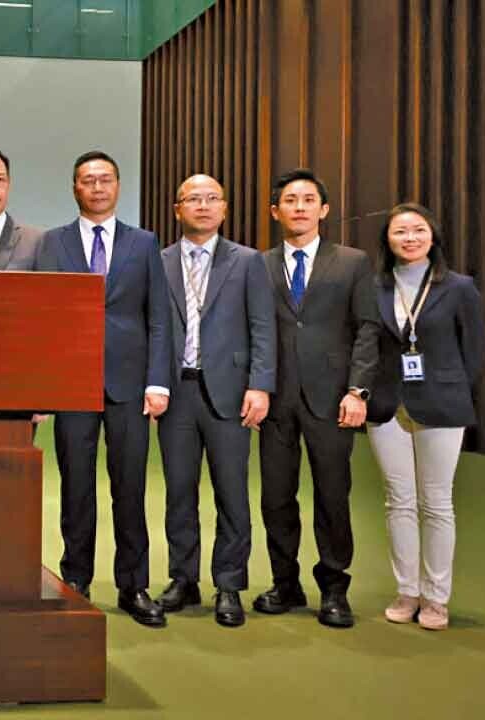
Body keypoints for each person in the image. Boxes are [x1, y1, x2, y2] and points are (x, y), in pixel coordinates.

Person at [36, 150, 172, 627]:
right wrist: (42, 387)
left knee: (129, 487)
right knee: (76, 487)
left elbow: (158, 317)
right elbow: (42, 316)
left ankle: (134, 585)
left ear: (117, 185)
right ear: (75, 187)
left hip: (130, 385)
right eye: (87, 180)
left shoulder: (144, 242)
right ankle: (76, 580)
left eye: (105, 179)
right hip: (71, 384)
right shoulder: (52, 243)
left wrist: (158, 381)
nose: (97, 187)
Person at [257, 168, 380, 628]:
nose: (299, 207)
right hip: (276, 399)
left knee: (332, 495)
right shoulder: (258, 265)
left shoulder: (352, 262)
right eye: (290, 200)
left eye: (308, 200)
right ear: (275, 211)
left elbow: (367, 328)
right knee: (275, 497)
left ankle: (334, 587)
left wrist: (357, 390)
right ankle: (284, 583)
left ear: (323, 210)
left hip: (332, 399)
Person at [155, 174, 276, 627]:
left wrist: (260, 385)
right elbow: (154, 328)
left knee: (232, 492)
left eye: (211, 199)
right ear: (177, 209)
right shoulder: (159, 261)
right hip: (177, 392)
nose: (202, 206)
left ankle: (229, 584)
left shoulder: (247, 261)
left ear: (224, 208)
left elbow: (263, 326)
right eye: (193, 199)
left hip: (230, 391)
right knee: (178, 491)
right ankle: (182, 578)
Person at [366, 203, 484, 631]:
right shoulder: (374, 286)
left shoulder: (459, 287)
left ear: (433, 236)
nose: (410, 238)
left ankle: (436, 598)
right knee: (398, 501)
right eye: (400, 231)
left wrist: (451, 388)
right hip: (386, 406)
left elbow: (474, 352)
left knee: (436, 503)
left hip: (442, 404)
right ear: (388, 239)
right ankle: (407, 591)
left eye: (418, 230)